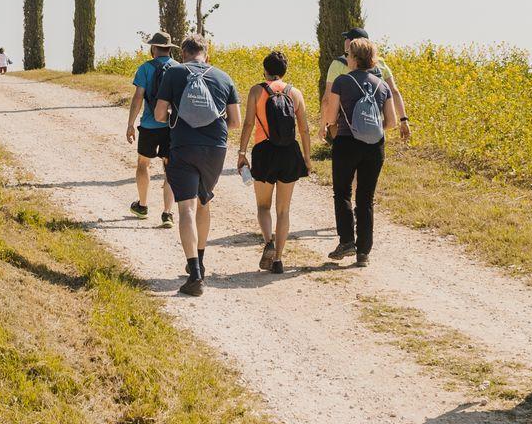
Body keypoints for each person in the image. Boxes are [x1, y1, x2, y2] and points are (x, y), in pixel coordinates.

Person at [153, 34, 239, 297]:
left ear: (183, 54)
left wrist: (177, 116)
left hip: (184, 146)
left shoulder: (174, 73)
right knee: (204, 201)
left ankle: (195, 274)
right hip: (215, 149)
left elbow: (159, 114)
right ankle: (201, 260)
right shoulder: (224, 77)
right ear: (206, 54)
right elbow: (235, 121)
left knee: (186, 208)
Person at [321, 36, 399, 266]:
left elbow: (330, 117)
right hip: (375, 146)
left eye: (348, 55)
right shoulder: (382, 85)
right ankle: (363, 252)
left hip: (347, 143)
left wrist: (338, 125)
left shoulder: (342, 81)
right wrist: (370, 127)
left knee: (342, 192)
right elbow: (392, 121)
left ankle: (347, 241)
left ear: (354, 58)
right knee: (366, 198)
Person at [237, 50, 314, 274]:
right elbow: (304, 129)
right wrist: (307, 158)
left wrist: (242, 152)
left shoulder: (256, 91)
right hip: (289, 152)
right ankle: (279, 260)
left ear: (265, 70)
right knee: (283, 210)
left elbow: (249, 124)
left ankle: (268, 242)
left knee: (263, 206)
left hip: (264, 151)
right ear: (284, 71)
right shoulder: (295, 93)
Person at [125, 31, 178, 226]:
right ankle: (167, 213)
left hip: (149, 125)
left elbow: (138, 97)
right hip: (171, 126)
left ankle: (143, 205)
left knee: (143, 164)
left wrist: (131, 124)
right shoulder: (178, 68)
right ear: (169, 49)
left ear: (154, 48)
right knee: (169, 167)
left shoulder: (145, 68)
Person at [325, 25, 411, 142]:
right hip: (374, 134)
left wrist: (324, 124)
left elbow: (327, 100)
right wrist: (403, 119)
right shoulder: (381, 64)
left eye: (347, 38)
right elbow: (394, 92)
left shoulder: (339, 65)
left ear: (353, 44)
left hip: (347, 133)